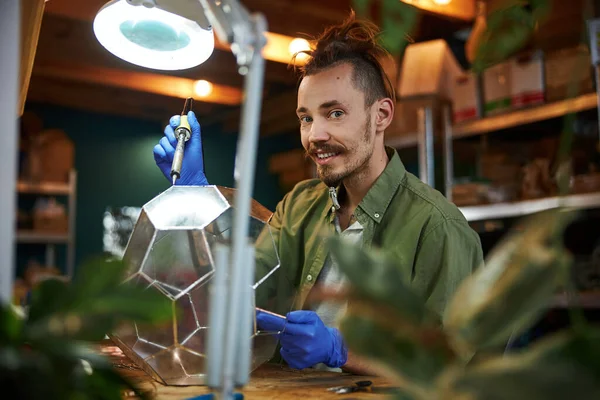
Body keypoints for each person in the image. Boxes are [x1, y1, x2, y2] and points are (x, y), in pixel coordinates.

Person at [153, 11, 484, 375]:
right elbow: (238, 290)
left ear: (381, 115)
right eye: (306, 118)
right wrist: (194, 195)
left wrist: (341, 351)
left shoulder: (438, 227)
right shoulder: (299, 204)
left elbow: (449, 363)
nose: (315, 135)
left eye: (335, 113)